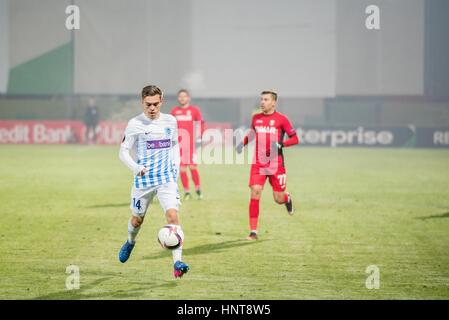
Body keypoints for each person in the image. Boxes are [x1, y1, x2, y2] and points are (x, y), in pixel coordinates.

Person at [118, 85, 189, 278]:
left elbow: (174, 145)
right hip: (144, 179)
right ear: (142, 102)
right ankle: (130, 242)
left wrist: (176, 165)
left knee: (173, 217)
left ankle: (177, 263)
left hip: (166, 178)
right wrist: (135, 168)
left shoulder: (170, 121)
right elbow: (123, 152)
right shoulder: (135, 124)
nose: (152, 108)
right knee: (137, 219)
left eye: (156, 104)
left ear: (161, 101)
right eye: (148, 104)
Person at [236, 90, 299, 240]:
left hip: (276, 165)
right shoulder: (256, 118)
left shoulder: (282, 119)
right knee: (255, 191)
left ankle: (286, 198)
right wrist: (243, 143)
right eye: (261, 99)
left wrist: (281, 144)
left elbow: (295, 139)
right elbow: (252, 133)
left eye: (265, 99)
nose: (262, 102)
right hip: (258, 163)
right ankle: (253, 232)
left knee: (278, 198)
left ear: (273, 102)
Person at [170, 89, 204, 200]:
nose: (182, 98)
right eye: (180, 96)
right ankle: (187, 192)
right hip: (178, 145)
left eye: (184, 96)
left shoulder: (194, 110)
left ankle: (198, 189)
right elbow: (170, 127)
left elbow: (200, 125)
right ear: (178, 98)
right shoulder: (174, 111)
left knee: (193, 166)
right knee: (182, 168)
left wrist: (200, 138)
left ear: (188, 98)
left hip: (191, 144)